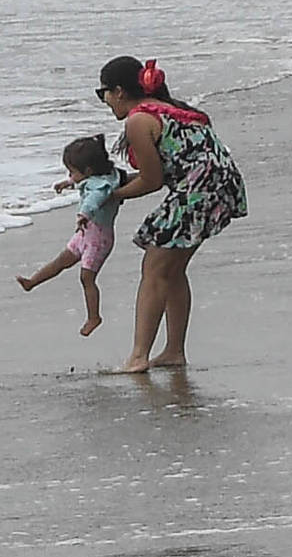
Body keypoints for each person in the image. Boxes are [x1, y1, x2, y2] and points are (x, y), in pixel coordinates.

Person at [95, 55, 247, 373]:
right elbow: (167, 170)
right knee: (172, 269)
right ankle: (174, 351)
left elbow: (152, 181)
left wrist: (111, 196)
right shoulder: (175, 110)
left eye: (103, 93)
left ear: (119, 91)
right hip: (220, 186)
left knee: (154, 268)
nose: (105, 101)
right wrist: (117, 185)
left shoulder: (138, 120)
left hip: (198, 190)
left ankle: (139, 356)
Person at [17, 134, 124, 335]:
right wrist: (68, 183)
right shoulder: (97, 177)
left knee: (86, 277)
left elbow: (93, 199)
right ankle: (32, 282)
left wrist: (84, 214)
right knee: (61, 261)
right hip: (85, 235)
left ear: (88, 171)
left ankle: (94, 317)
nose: (70, 174)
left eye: (71, 171)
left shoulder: (102, 187)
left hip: (98, 240)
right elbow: (85, 183)